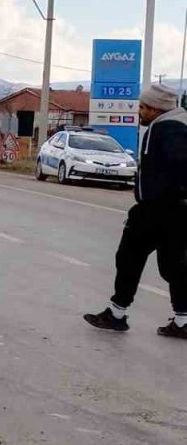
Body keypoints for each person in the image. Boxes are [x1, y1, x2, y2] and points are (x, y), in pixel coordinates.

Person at [84, 83, 187, 338]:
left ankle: (117, 315)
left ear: (155, 108)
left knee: (129, 258)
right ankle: (183, 322)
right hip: (176, 210)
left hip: (158, 209)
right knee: (175, 265)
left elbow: (174, 169)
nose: (139, 111)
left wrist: (152, 200)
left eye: (142, 107)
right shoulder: (179, 123)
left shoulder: (164, 128)